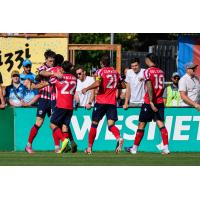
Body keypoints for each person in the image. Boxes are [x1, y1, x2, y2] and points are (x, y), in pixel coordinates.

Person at [125, 53, 170, 154]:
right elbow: (161, 87)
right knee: (161, 124)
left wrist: (151, 101)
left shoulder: (148, 71)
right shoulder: (161, 72)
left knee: (141, 124)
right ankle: (166, 148)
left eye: (146, 59)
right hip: (159, 101)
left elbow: (149, 86)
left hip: (149, 102)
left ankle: (134, 148)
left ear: (148, 60)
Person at [82, 55, 124, 154]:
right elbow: (123, 85)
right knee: (111, 125)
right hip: (112, 102)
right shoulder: (116, 73)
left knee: (94, 124)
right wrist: (113, 86)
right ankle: (119, 138)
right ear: (110, 62)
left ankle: (89, 148)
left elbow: (97, 83)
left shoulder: (100, 71)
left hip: (101, 101)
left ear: (101, 63)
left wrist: (86, 88)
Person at [25, 49, 61, 153]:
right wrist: (53, 74)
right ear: (45, 60)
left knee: (55, 123)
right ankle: (28, 145)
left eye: (53, 61)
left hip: (54, 99)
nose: (52, 63)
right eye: (50, 61)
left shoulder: (56, 68)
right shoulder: (43, 67)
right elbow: (42, 72)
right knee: (38, 123)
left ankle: (57, 147)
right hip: (44, 100)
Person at [49, 61, 77, 153]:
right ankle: (65, 147)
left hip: (61, 104)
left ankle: (64, 140)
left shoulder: (59, 78)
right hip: (70, 106)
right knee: (65, 126)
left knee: (52, 124)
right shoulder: (74, 78)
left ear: (62, 68)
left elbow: (50, 81)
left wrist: (55, 74)